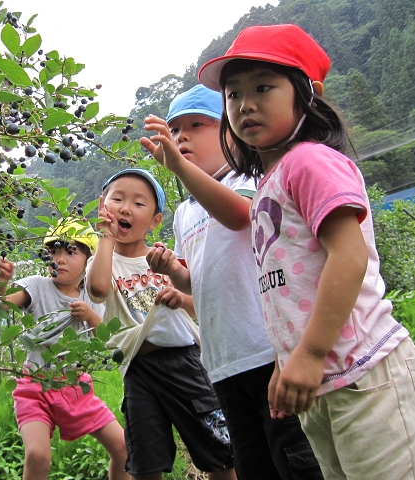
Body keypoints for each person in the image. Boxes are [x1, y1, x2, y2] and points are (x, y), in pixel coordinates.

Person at [195, 23, 415, 479]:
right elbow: (286, 284)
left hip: (366, 375)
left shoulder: (310, 161)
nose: (245, 104)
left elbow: (349, 256)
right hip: (322, 386)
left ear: (308, 93)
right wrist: (289, 360)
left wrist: (307, 354)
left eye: (263, 87)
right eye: (233, 95)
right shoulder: (268, 182)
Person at [141, 84, 323, 480]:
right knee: (254, 465)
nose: (182, 136)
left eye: (196, 125)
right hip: (224, 363)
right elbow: (196, 281)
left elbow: (241, 216)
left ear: (232, 132)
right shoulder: (185, 212)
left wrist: (179, 169)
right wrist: (173, 271)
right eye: (175, 129)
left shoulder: (246, 179)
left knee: (295, 459)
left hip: (267, 353)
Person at [86, 168, 236, 480]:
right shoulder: (104, 259)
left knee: (220, 453)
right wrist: (105, 237)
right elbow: (98, 289)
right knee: (146, 459)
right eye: (117, 199)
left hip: (186, 363)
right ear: (103, 206)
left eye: (139, 204)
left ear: (155, 220)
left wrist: (180, 299)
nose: (126, 208)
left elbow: (199, 304)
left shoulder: (164, 260)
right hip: (139, 370)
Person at [0, 220, 129, 480]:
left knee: (123, 448)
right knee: (37, 454)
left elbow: (104, 339)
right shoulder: (36, 286)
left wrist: (89, 315)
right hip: (35, 387)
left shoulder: (92, 294)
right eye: (54, 252)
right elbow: (2, 306)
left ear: (89, 259)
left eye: (70, 252)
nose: (60, 259)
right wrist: (1, 284)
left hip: (76, 387)